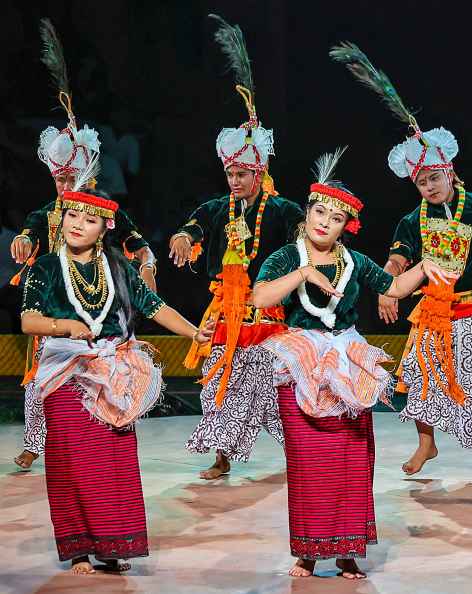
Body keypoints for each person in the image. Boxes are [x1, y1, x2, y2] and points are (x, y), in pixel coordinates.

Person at [252, 148, 456, 579]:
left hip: (347, 359)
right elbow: (261, 297)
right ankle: (307, 551)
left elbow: (395, 287)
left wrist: (424, 266)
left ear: (348, 225)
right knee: (308, 463)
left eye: (336, 217)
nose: (324, 221)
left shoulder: (354, 261)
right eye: (319, 211)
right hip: (301, 359)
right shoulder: (288, 258)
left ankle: (346, 550)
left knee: (351, 458)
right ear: (307, 213)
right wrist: (304, 275)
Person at [331, 43, 472, 475]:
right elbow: (398, 261)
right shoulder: (410, 219)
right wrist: (387, 286)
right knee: (417, 373)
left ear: (450, 172)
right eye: (421, 182)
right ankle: (426, 444)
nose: (429, 187)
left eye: (434, 178)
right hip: (434, 309)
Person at [20, 180, 213, 574]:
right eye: (72, 216)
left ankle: (111, 544)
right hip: (66, 372)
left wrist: (194, 331)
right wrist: (63, 326)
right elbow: (28, 320)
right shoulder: (45, 268)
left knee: (113, 461)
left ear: (105, 227)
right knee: (70, 460)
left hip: (115, 371)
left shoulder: (119, 269)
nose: (77, 224)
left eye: (88, 219)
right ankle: (77, 547)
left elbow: (155, 306)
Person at [11, 19, 157, 470]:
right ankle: (38, 440)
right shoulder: (48, 211)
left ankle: (99, 426)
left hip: (96, 301)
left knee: (95, 377)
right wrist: (22, 239)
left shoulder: (103, 211)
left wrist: (146, 265)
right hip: (54, 303)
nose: (61, 186)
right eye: (56, 178)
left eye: (68, 178)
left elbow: (136, 242)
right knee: (41, 375)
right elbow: (31, 230)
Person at [168, 15, 304, 479]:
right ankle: (222, 454)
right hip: (223, 311)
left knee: (273, 386)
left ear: (260, 172)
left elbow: (305, 243)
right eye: (230, 174)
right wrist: (185, 238)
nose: (235, 181)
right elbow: (193, 228)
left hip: (265, 311)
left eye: (243, 174)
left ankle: (300, 449)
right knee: (217, 384)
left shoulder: (283, 210)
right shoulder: (214, 208)